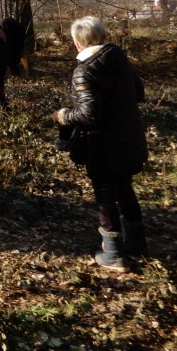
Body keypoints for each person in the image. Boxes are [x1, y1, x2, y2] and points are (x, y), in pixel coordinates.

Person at [51, 16, 149, 272]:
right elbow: (139, 92)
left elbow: (90, 114)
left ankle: (114, 254)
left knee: (105, 194)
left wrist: (63, 116)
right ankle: (137, 244)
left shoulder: (85, 70)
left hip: (104, 144)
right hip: (129, 139)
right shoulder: (120, 59)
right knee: (125, 188)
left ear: (77, 43)